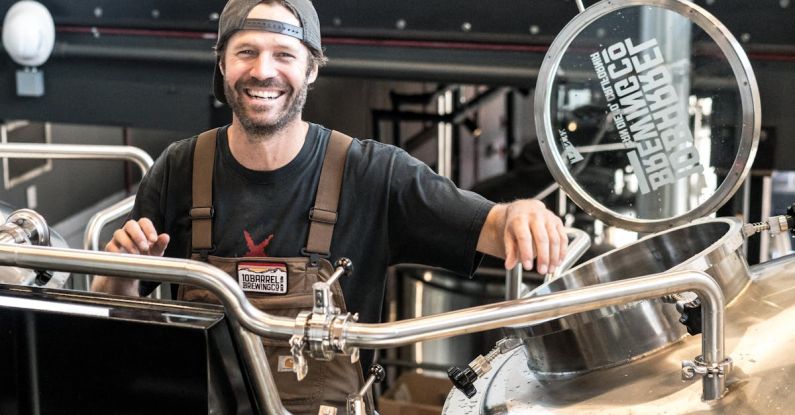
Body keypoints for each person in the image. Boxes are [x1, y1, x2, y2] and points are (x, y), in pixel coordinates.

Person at [91, 0, 567, 413]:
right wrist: (121, 270)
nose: (263, 71)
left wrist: (522, 213)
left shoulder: (372, 174)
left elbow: (491, 225)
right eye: (246, 52)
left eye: (284, 55)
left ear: (312, 69)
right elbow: (114, 310)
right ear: (222, 65)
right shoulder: (179, 169)